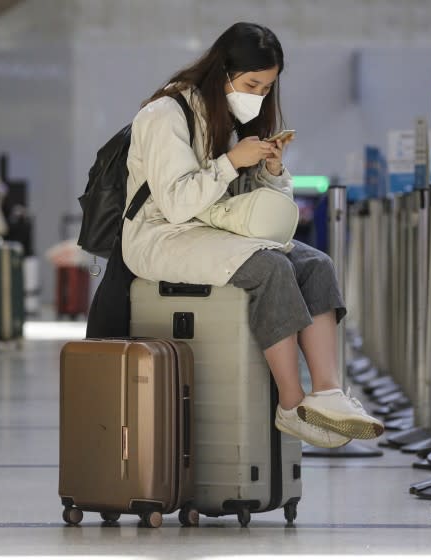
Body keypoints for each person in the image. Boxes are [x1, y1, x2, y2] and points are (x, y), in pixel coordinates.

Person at [122, 22, 384, 448]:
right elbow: (175, 204)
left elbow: (250, 208)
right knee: (270, 268)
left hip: (213, 228)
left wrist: (270, 171)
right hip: (161, 236)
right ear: (221, 71)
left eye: (267, 88)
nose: (259, 96)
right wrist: (229, 161)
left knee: (317, 264)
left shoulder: (229, 117)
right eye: (252, 84)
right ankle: (292, 405)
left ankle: (328, 392)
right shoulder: (164, 115)